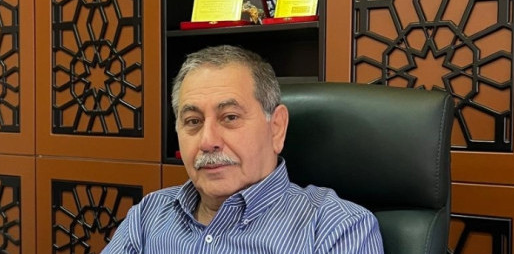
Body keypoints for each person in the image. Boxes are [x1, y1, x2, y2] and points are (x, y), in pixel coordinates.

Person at [102, 45, 384, 253]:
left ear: (276, 128)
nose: (207, 141)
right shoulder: (148, 217)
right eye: (193, 121)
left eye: (230, 117)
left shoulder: (337, 228)